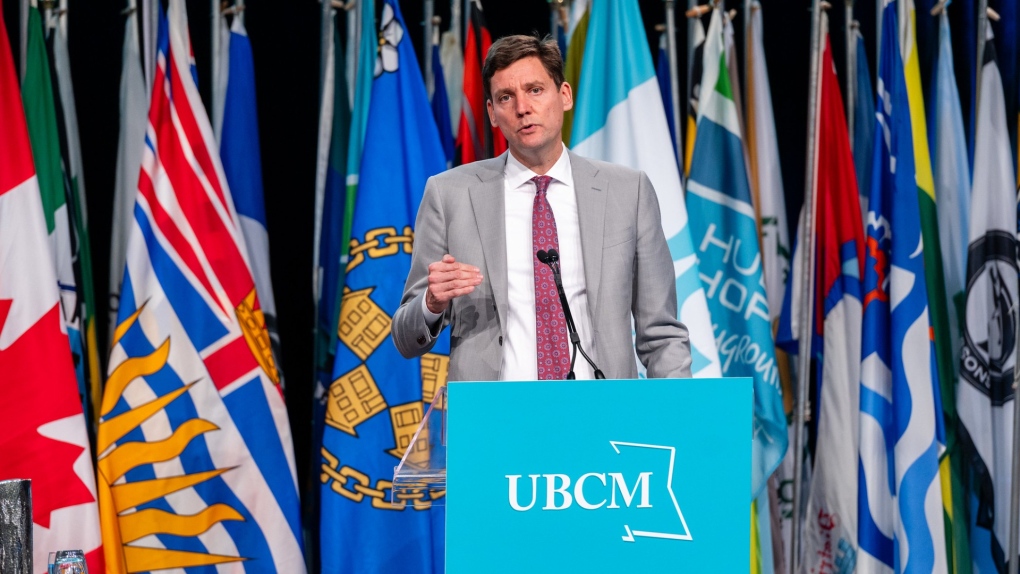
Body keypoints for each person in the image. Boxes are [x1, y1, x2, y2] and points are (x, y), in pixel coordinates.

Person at [392, 34, 691, 381]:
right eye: (506, 97)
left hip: (603, 412)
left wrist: (679, 419)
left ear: (564, 95)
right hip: (498, 418)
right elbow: (405, 338)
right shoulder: (448, 195)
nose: (522, 107)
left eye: (535, 90)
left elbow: (662, 333)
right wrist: (431, 303)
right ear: (492, 112)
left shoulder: (627, 191)